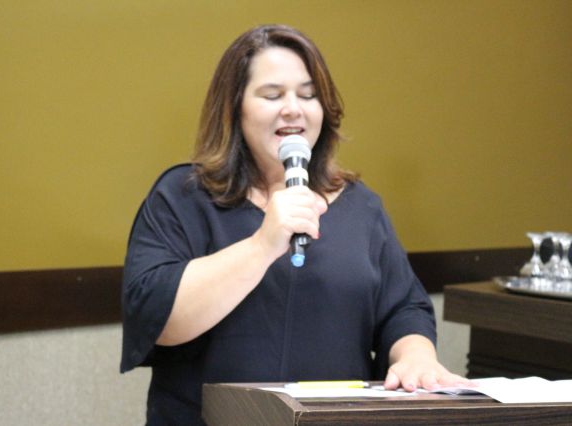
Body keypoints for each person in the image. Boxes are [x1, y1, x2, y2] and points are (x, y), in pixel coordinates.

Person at [121, 24, 470, 425]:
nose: (293, 109)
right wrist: (263, 244)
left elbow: (404, 307)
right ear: (234, 109)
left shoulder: (362, 207)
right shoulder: (182, 197)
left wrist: (416, 357)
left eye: (308, 95)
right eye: (272, 95)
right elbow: (157, 317)